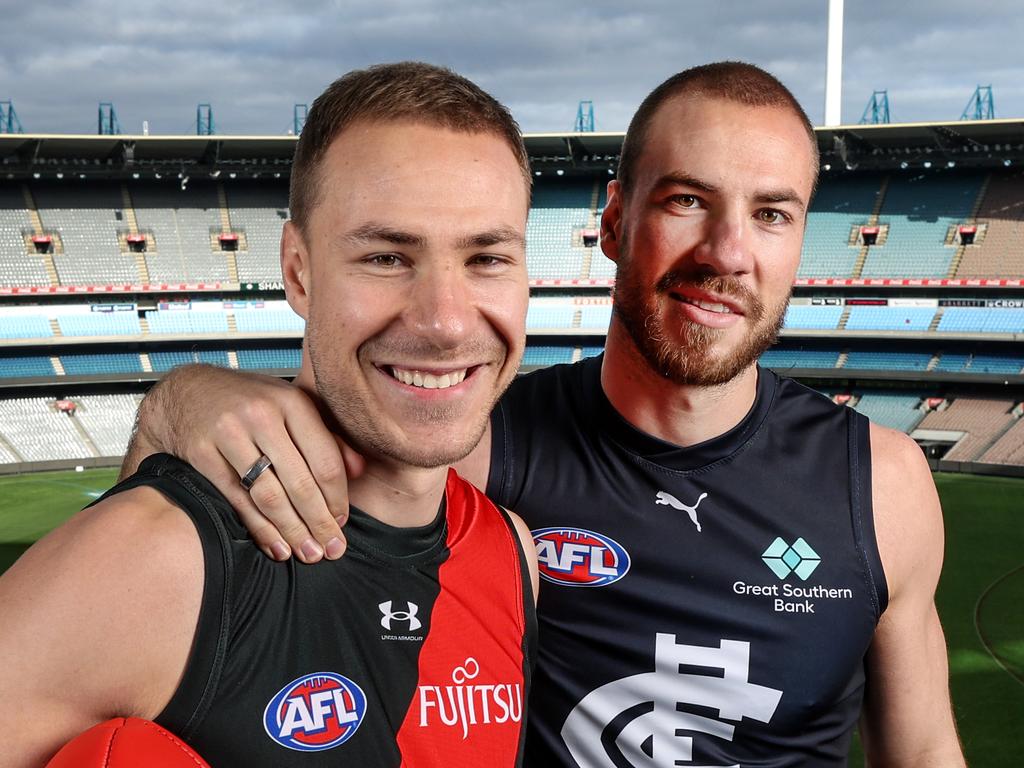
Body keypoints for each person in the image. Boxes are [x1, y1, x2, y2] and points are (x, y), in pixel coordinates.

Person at [122, 62, 966, 766]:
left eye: (772, 214)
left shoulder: (882, 486)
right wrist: (178, 402)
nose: (728, 252)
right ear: (611, 220)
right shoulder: (472, 440)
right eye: (684, 201)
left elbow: (925, 753)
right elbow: (184, 560)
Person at [0, 62, 539, 767]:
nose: (443, 322)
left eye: (488, 257)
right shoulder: (151, 560)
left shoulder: (513, 552)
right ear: (298, 271)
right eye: (385, 256)